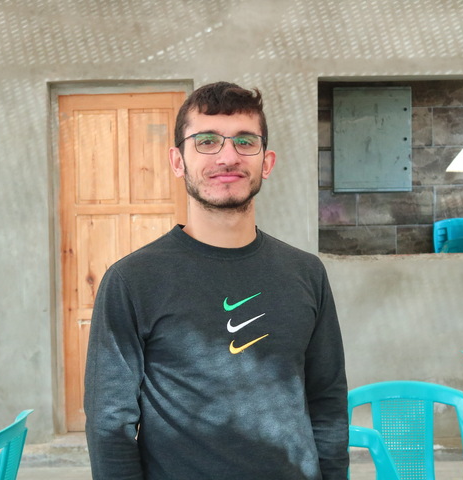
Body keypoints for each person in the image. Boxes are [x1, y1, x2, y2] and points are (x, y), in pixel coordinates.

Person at [84, 81, 348, 479]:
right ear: (178, 161)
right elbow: (110, 424)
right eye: (206, 141)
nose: (228, 156)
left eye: (245, 141)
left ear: (267, 162)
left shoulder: (306, 272)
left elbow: (327, 401)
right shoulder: (132, 280)